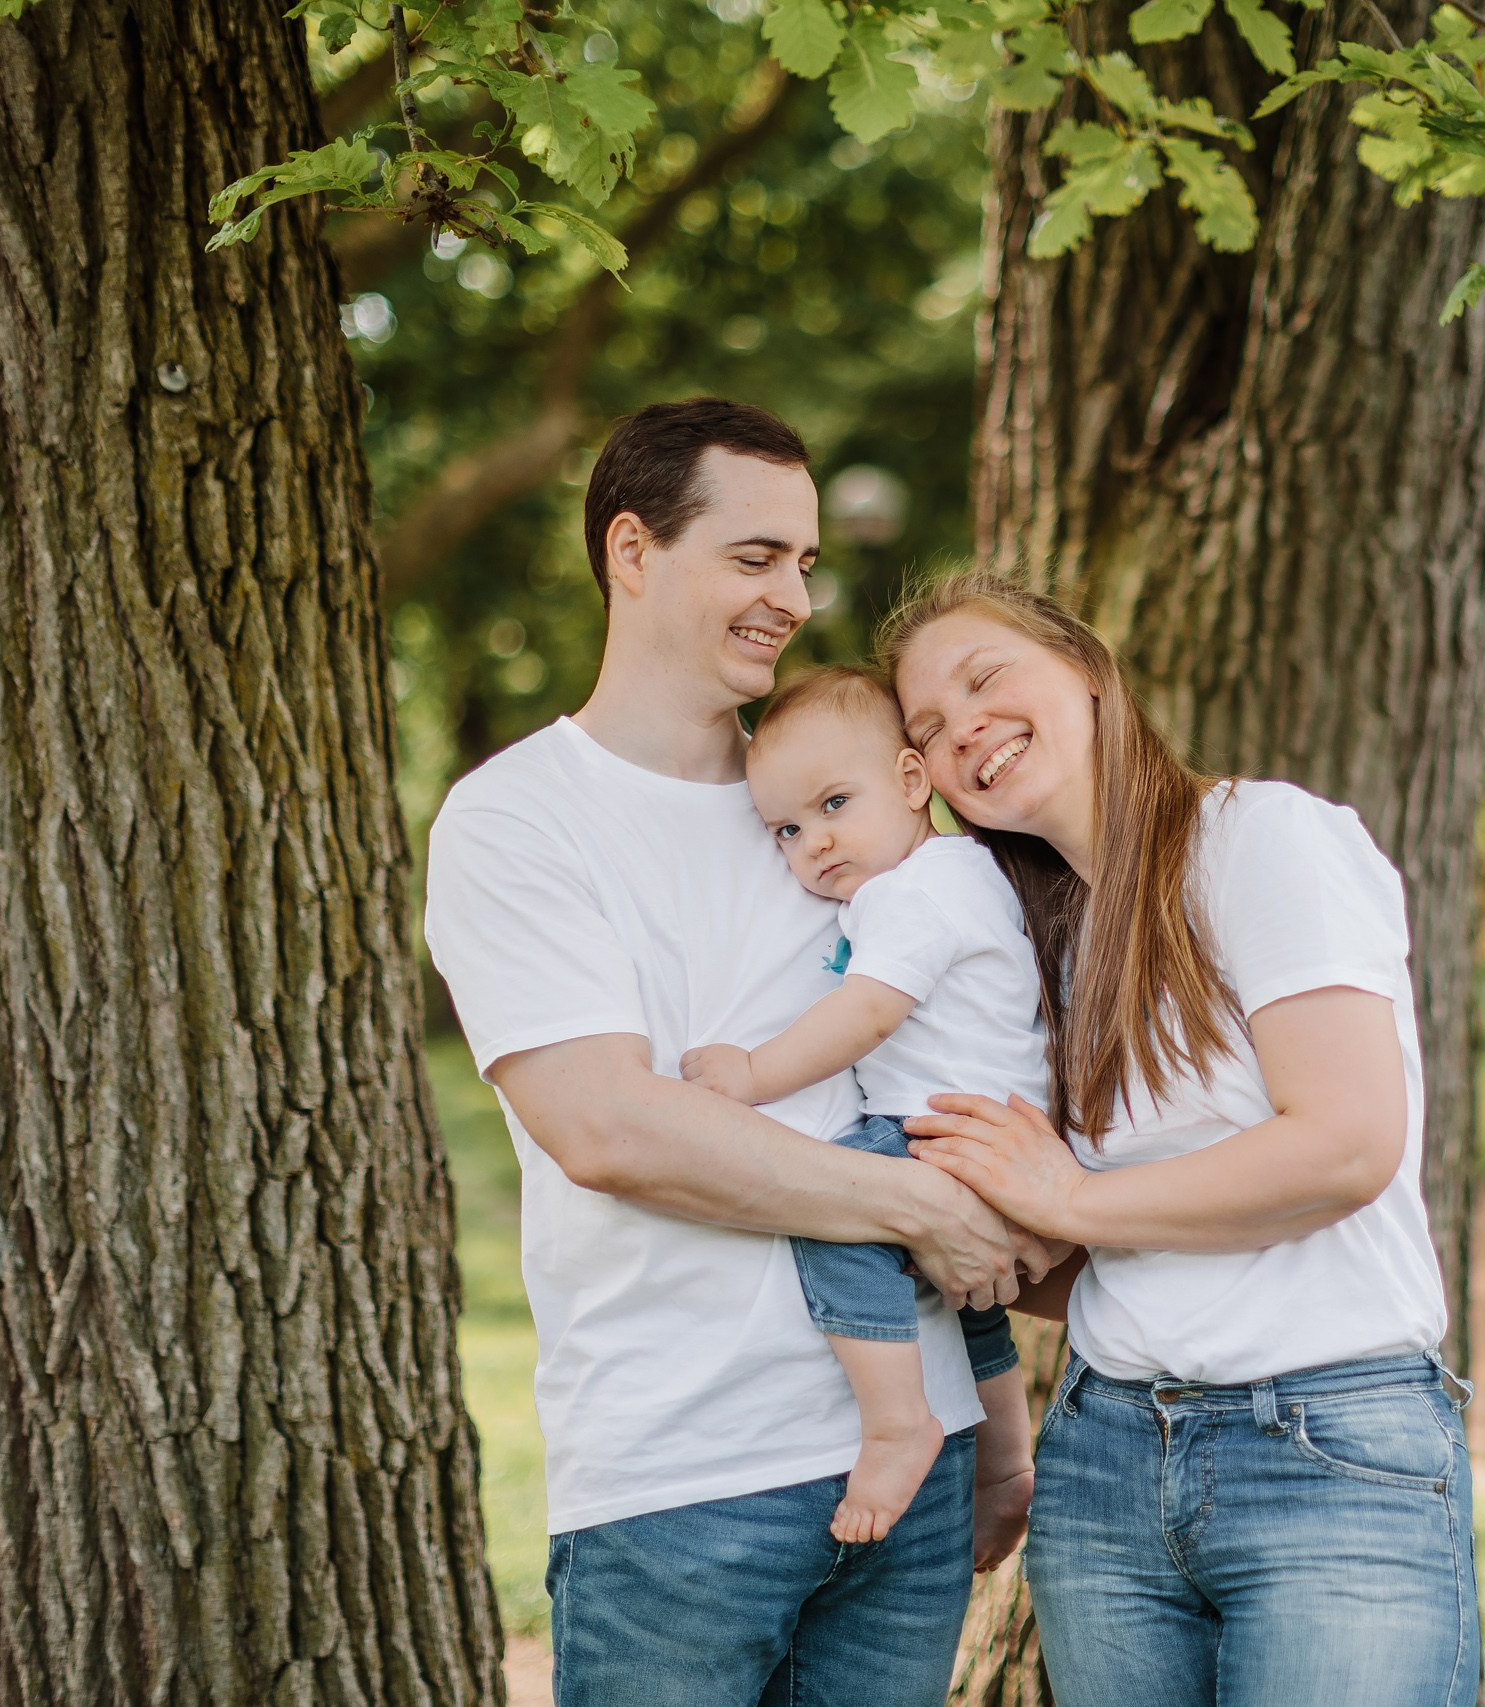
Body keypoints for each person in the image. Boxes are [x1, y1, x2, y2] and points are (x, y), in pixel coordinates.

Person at [422, 402, 1049, 1707]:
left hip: (918, 1462)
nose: (793, 596)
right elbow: (608, 1126)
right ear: (633, 549)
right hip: (684, 1479)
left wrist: (993, 1428)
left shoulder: (844, 800)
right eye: (757, 556)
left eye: (807, 564)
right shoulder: (518, 818)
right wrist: (922, 1204)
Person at [884, 574, 1476, 1707]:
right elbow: (1096, 1261)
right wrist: (960, 1238)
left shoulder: (1261, 838)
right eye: (925, 730)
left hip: (1328, 1444)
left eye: (984, 677)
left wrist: (1063, 1203)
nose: (962, 727)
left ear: (1089, 673)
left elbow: (1345, 1146)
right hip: (1106, 1459)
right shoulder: (1038, 946)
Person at [681, 664, 1051, 1556]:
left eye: (836, 803)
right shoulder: (969, 872)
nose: (814, 842)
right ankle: (1004, 1450)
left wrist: (753, 1073)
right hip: (998, 1133)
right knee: (973, 1305)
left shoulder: (910, 894)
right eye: (788, 828)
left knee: (837, 1219)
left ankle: (896, 1422)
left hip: (939, 1132)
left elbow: (868, 1011)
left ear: (913, 781)